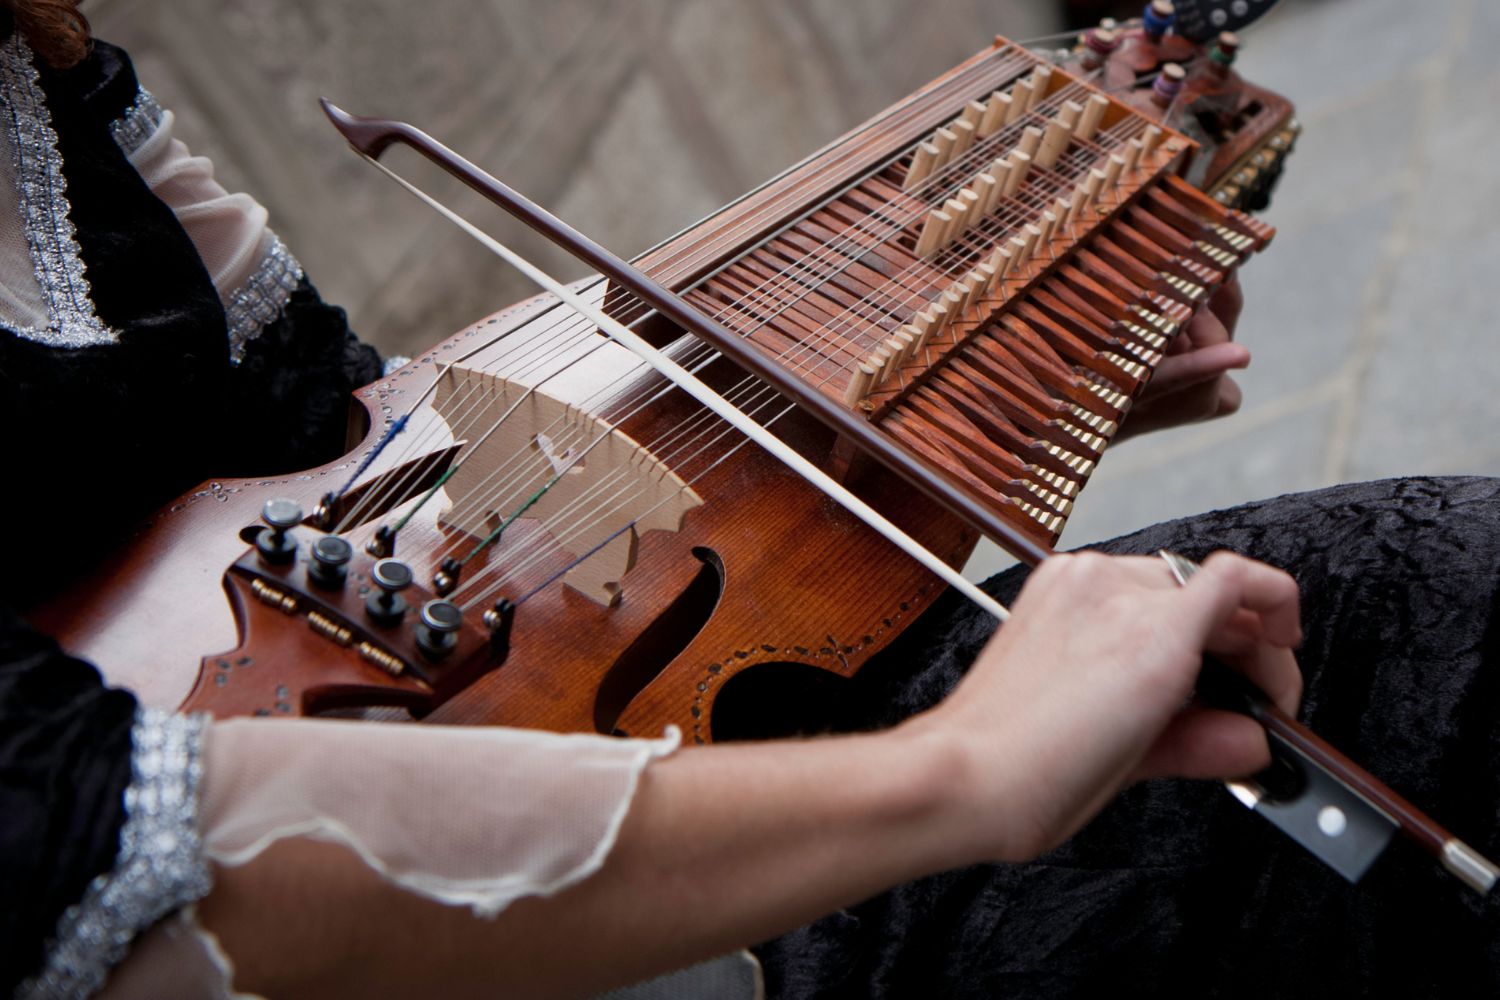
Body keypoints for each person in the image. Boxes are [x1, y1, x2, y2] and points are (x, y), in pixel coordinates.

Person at [4, 4, 1496, 998]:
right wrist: (967, 770)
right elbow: (56, 829)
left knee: (1433, 602)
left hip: (647, 711)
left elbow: (338, 421)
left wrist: (978, 391)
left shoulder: (40, 58)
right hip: (362, 915)